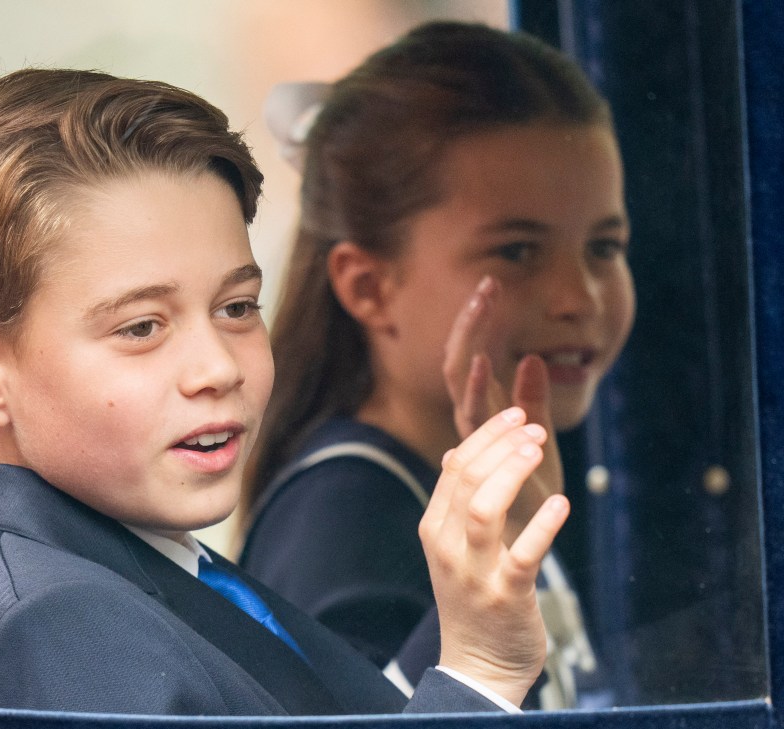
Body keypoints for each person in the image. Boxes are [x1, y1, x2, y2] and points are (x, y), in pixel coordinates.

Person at [0, 67, 570, 716]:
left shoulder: (160, 564)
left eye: (238, 307)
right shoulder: (61, 620)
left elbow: (334, 710)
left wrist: (486, 591)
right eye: (142, 326)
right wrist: (479, 674)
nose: (217, 367)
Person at [239, 21, 635, 710]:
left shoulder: (471, 492)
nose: (579, 297)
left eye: (603, 246)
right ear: (369, 286)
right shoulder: (345, 522)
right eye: (516, 252)